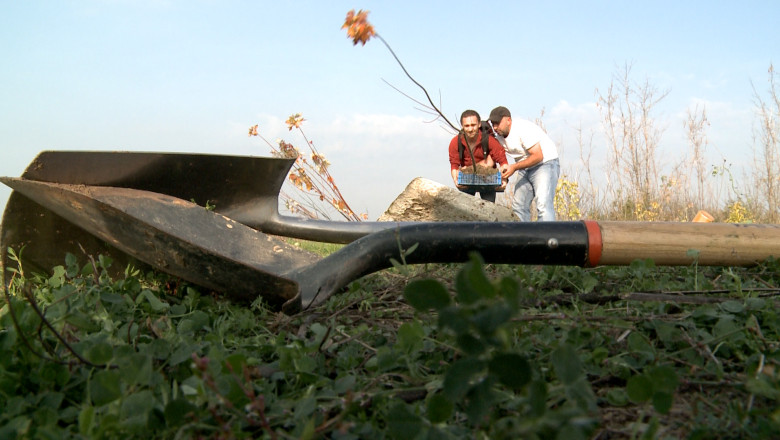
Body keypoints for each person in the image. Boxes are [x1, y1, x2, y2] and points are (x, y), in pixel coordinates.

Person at [489, 106, 560, 221]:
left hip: (545, 164)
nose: (495, 127)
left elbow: (538, 156)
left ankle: (546, 232)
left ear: (508, 120)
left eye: (497, 123)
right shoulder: (499, 138)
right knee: (519, 206)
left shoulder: (522, 129)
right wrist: (504, 177)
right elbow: (497, 159)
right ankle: (522, 232)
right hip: (525, 167)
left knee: (543, 204)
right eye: (493, 124)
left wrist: (514, 167)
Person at [448, 110, 509, 203]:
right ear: (462, 126)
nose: (470, 129)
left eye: (473, 125)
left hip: (488, 179)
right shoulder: (455, 142)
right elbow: (454, 165)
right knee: (465, 208)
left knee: (489, 208)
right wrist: (456, 180)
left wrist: (504, 179)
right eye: (467, 126)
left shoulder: (489, 140)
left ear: (479, 124)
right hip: (467, 179)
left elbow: (503, 161)